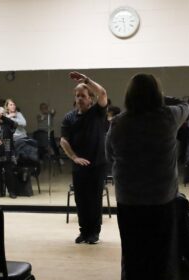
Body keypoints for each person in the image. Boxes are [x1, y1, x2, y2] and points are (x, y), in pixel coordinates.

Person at [105, 73, 189, 279]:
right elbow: (186, 105)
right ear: (157, 95)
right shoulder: (168, 116)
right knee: (161, 254)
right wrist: (162, 98)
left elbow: (109, 155)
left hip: (129, 199)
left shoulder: (117, 122)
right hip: (162, 198)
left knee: (133, 252)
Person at [60, 71, 108, 244]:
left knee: (94, 200)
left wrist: (86, 80)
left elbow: (102, 93)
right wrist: (74, 157)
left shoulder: (97, 112)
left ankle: (94, 233)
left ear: (90, 99)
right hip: (79, 166)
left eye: (83, 95)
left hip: (98, 164)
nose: (80, 98)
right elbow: (64, 140)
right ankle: (84, 231)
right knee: (81, 200)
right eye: (77, 95)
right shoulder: (69, 117)